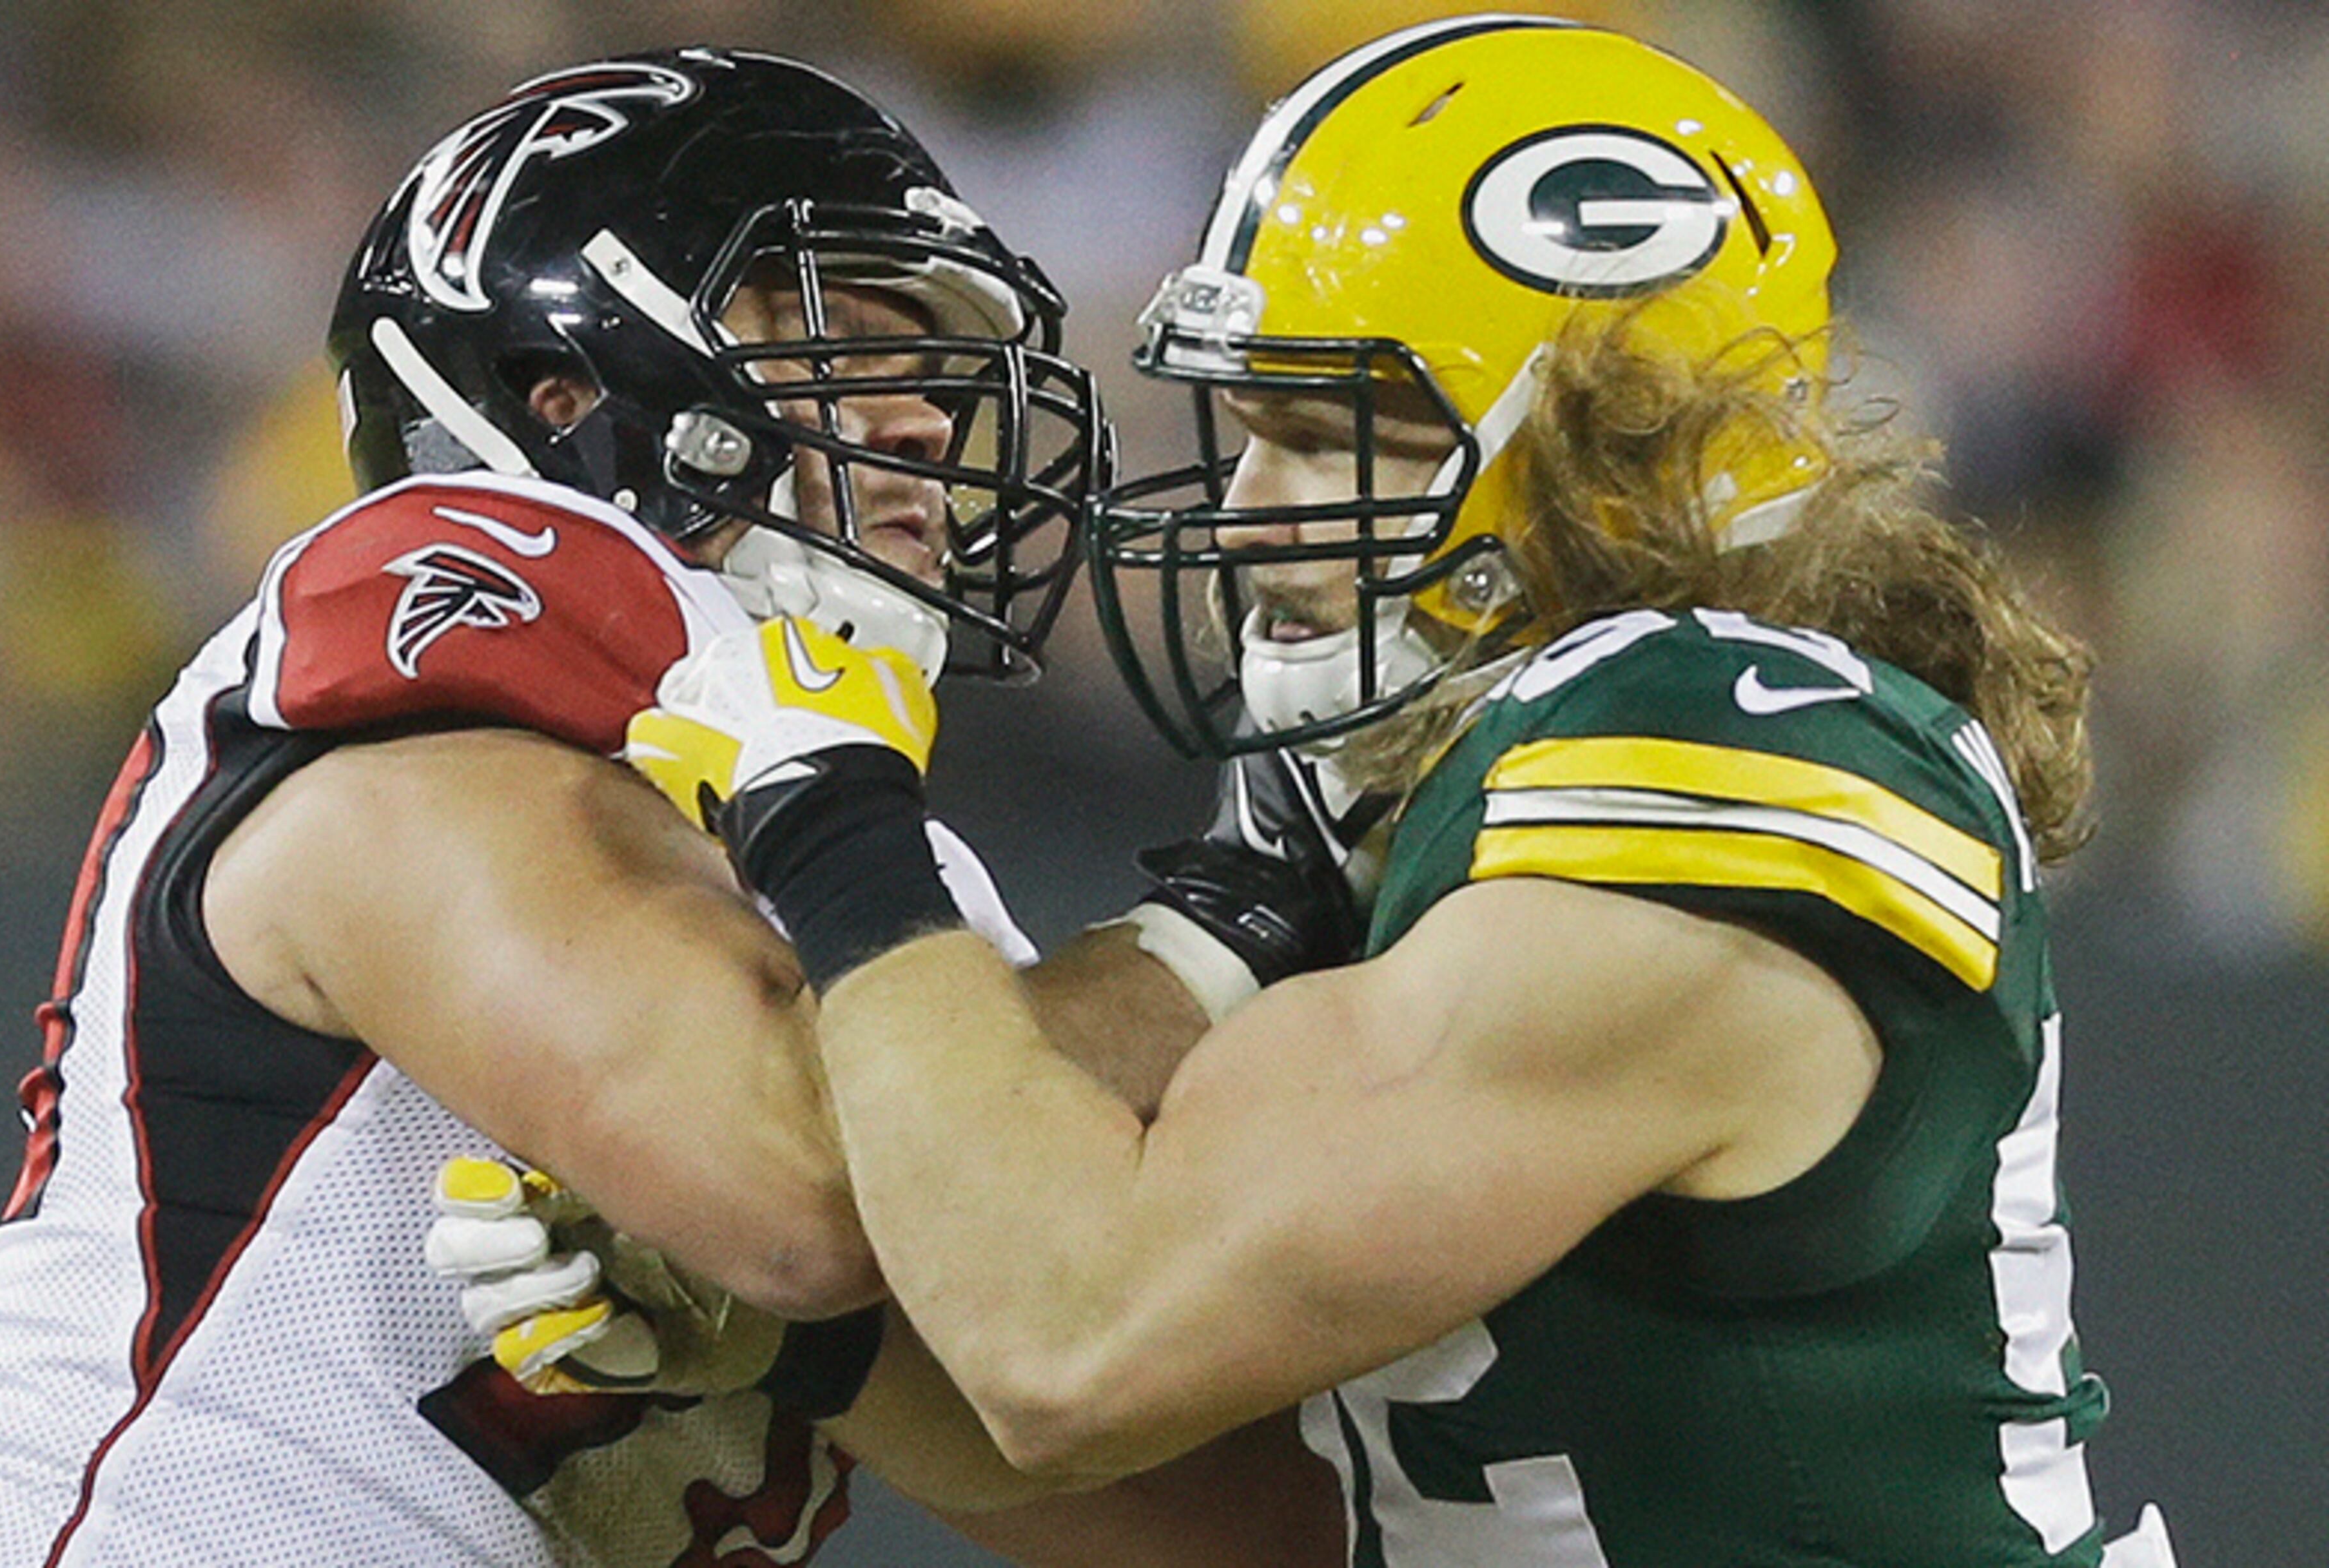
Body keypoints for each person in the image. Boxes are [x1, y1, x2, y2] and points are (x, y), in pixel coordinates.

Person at [615, 17, 2179, 1567]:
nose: (1242, 518)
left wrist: (827, 804)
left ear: (1603, 446)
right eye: (1246, 434)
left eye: (1323, 437)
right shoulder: (1454, 779)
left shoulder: (1728, 743)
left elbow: (1072, 1335)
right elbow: (1112, 1341)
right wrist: (762, 1305)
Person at [0, 47, 1345, 1568]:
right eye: (841, 336)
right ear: (563, 393)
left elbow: (1227, 1519)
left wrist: (801, 1348)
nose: (919, 429)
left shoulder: (882, 882)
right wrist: (1231, 925)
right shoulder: (420, 741)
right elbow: (817, 1188)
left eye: (933, 372)